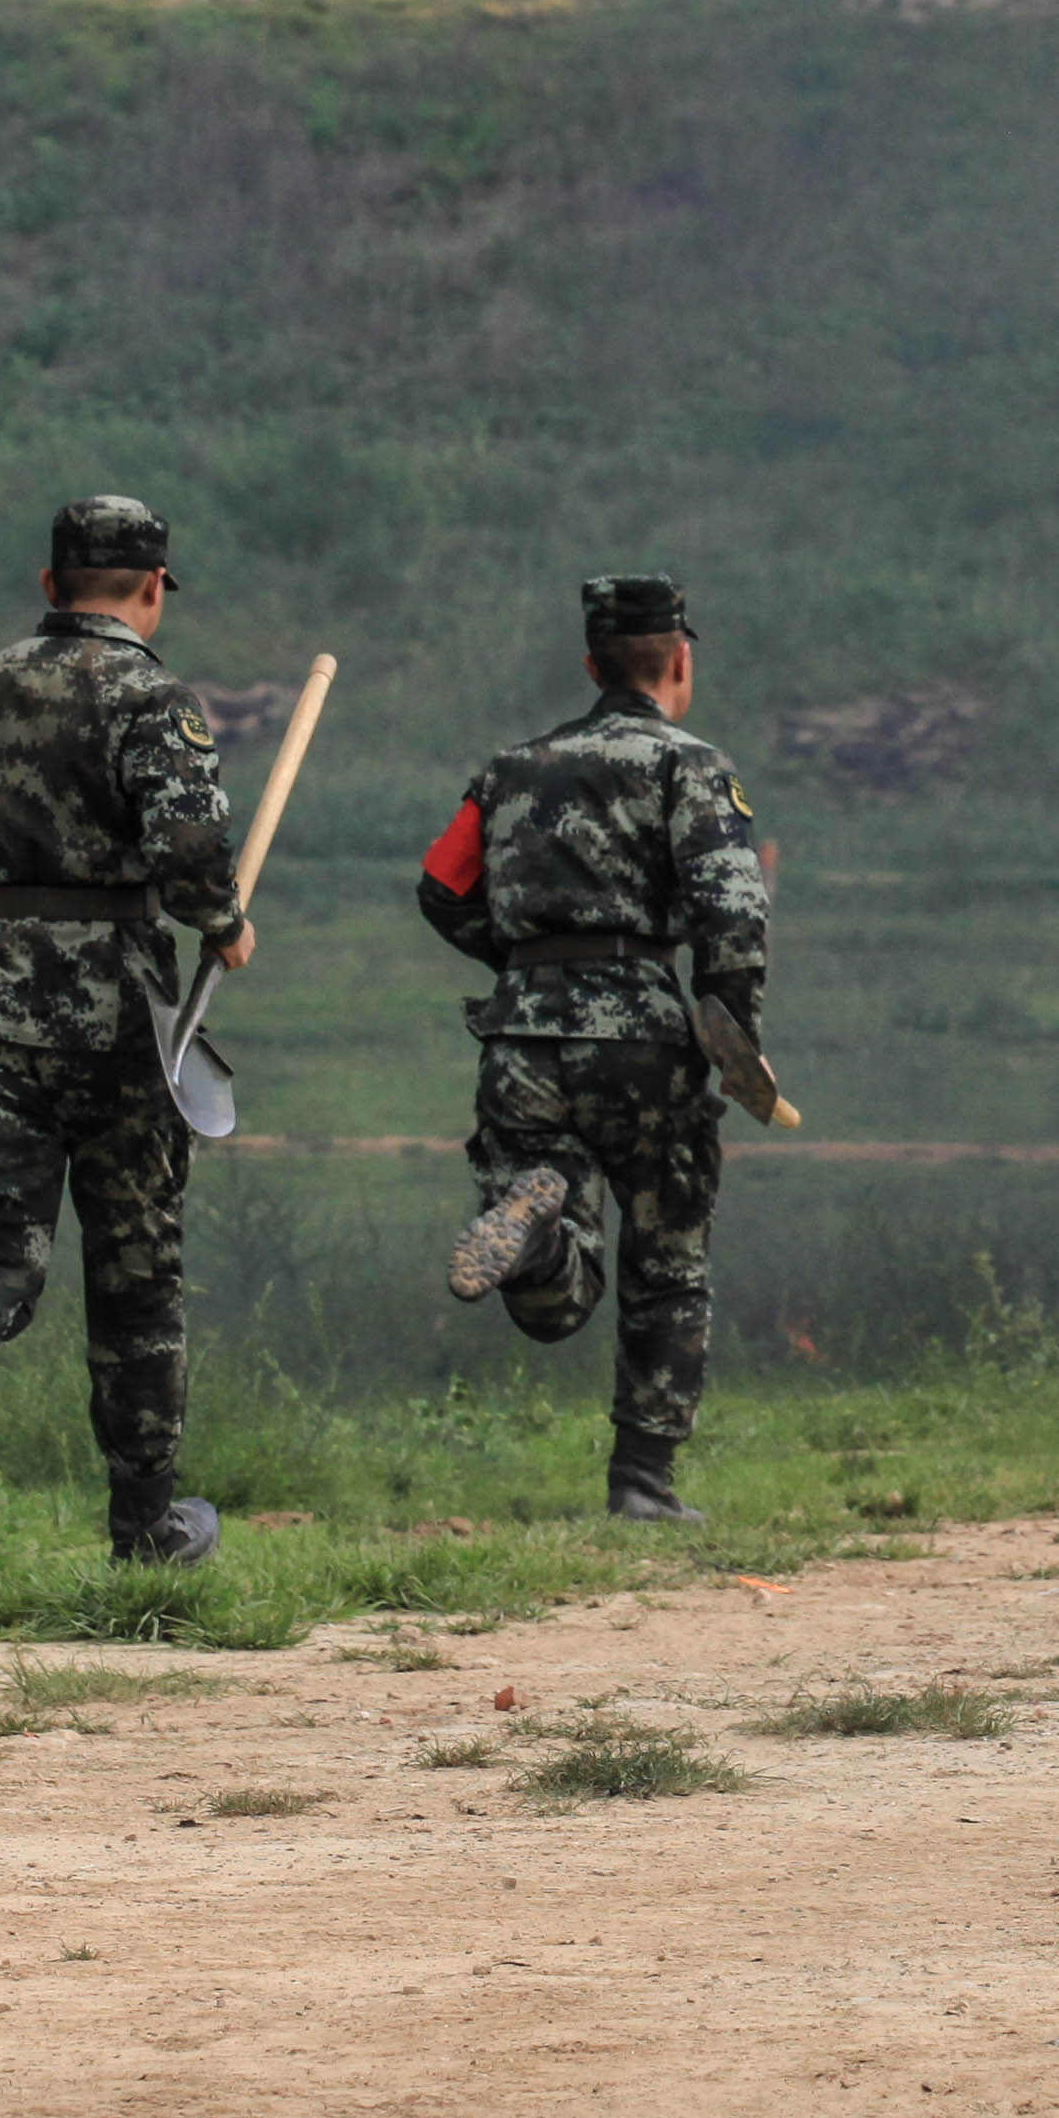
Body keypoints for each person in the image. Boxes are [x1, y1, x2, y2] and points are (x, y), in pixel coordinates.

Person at [0, 495, 252, 1568]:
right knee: (137, 1272)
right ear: (153, 591)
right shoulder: (153, 697)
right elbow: (187, 849)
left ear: (49, 587)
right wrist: (224, 921)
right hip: (123, 1023)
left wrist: (10, 877)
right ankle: (147, 1525)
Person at [419, 572, 777, 1523]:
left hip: (523, 1039)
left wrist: (530, 964)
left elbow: (440, 889)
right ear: (681, 660)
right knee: (666, 1259)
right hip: (644, 1044)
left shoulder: (508, 769)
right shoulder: (690, 766)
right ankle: (644, 1485)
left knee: (557, 1298)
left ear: (591, 663)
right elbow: (733, 913)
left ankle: (536, 1240)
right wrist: (729, 1027)